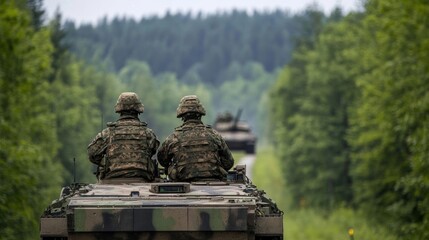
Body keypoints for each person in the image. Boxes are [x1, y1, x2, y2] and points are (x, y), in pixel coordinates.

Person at [157, 95, 234, 181]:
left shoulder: (174, 137)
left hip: (184, 182)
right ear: (200, 113)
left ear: (182, 115)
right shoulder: (214, 135)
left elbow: (162, 160)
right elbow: (229, 162)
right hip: (213, 180)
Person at [88, 92, 159, 181]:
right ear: (138, 110)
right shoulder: (148, 134)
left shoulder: (108, 133)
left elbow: (92, 154)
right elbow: (153, 151)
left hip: (112, 179)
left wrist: (107, 163)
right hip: (142, 178)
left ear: (119, 109)